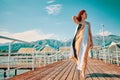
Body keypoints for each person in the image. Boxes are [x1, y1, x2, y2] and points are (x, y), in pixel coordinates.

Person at [70, 10, 93, 80]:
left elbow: (90, 33)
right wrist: (79, 18)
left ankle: (83, 72)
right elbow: (73, 17)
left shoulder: (88, 23)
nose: (86, 15)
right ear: (82, 15)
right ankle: (79, 64)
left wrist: (91, 42)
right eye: (85, 14)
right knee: (78, 55)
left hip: (86, 42)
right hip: (78, 42)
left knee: (85, 57)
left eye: (86, 14)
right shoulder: (78, 22)